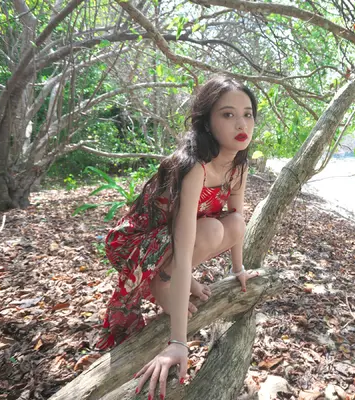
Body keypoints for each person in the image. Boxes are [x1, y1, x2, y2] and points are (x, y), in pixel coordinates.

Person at [94, 75, 259, 399]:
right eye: (228, 114)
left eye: (248, 114)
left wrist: (238, 269)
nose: (242, 124)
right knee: (212, 230)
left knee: (235, 223)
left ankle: (169, 279)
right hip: (137, 242)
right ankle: (162, 282)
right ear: (207, 123)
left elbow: (236, 220)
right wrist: (178, 343)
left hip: (176, 239)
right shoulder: (194, 167)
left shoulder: (238, 166)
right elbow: (184, 253)